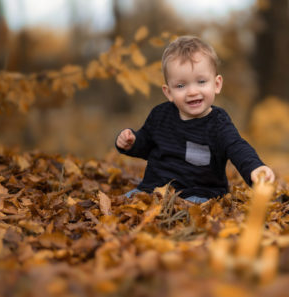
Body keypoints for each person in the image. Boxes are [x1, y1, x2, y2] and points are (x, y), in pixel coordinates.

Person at [115, 36, 275, 204]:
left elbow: (236, 147)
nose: (192, 91)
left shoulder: (218, 123)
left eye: (201, 82)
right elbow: (145, 144)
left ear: (216, 84)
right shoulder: (159, 115)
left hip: (200, 192)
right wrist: (132, 142)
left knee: (187, 212)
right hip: (153, 189)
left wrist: (255, 168)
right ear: (168, 92)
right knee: (124, 202)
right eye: (181, 86)